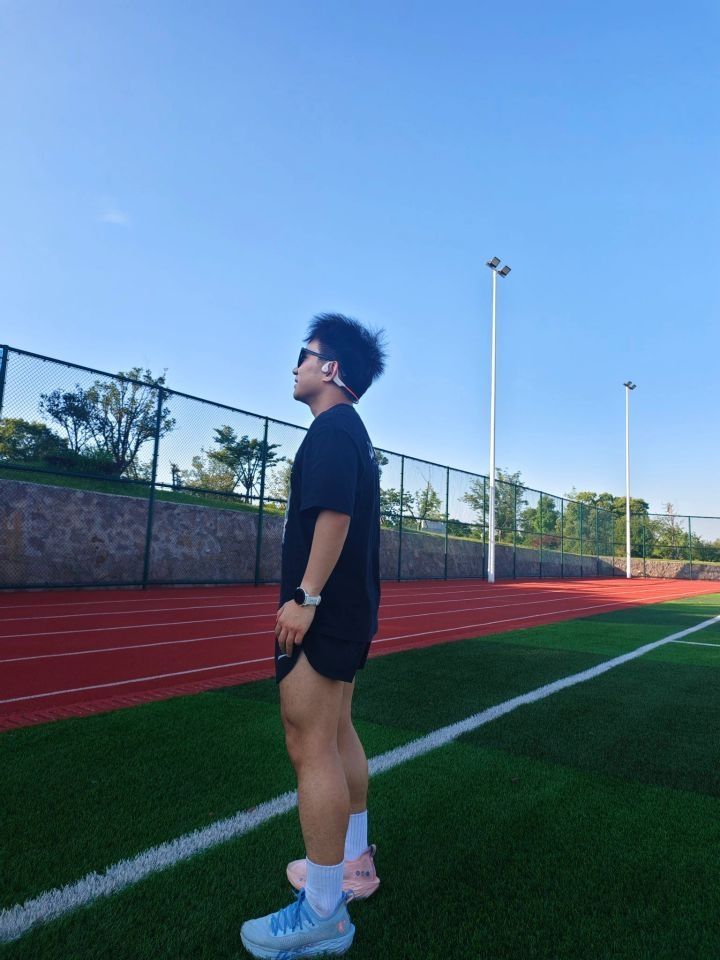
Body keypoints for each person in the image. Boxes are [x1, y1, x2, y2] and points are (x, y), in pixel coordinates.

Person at [240, 313, 387, 959]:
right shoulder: (351, 430)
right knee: (337, 731)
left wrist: (305, 598)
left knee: (310, 744)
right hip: (348, 610)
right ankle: (352, 864)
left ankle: (325, 912)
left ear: (330, 369)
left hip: (325, 612)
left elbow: (333, 516)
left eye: (304, 354)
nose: (295, 365)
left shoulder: (331, 428)